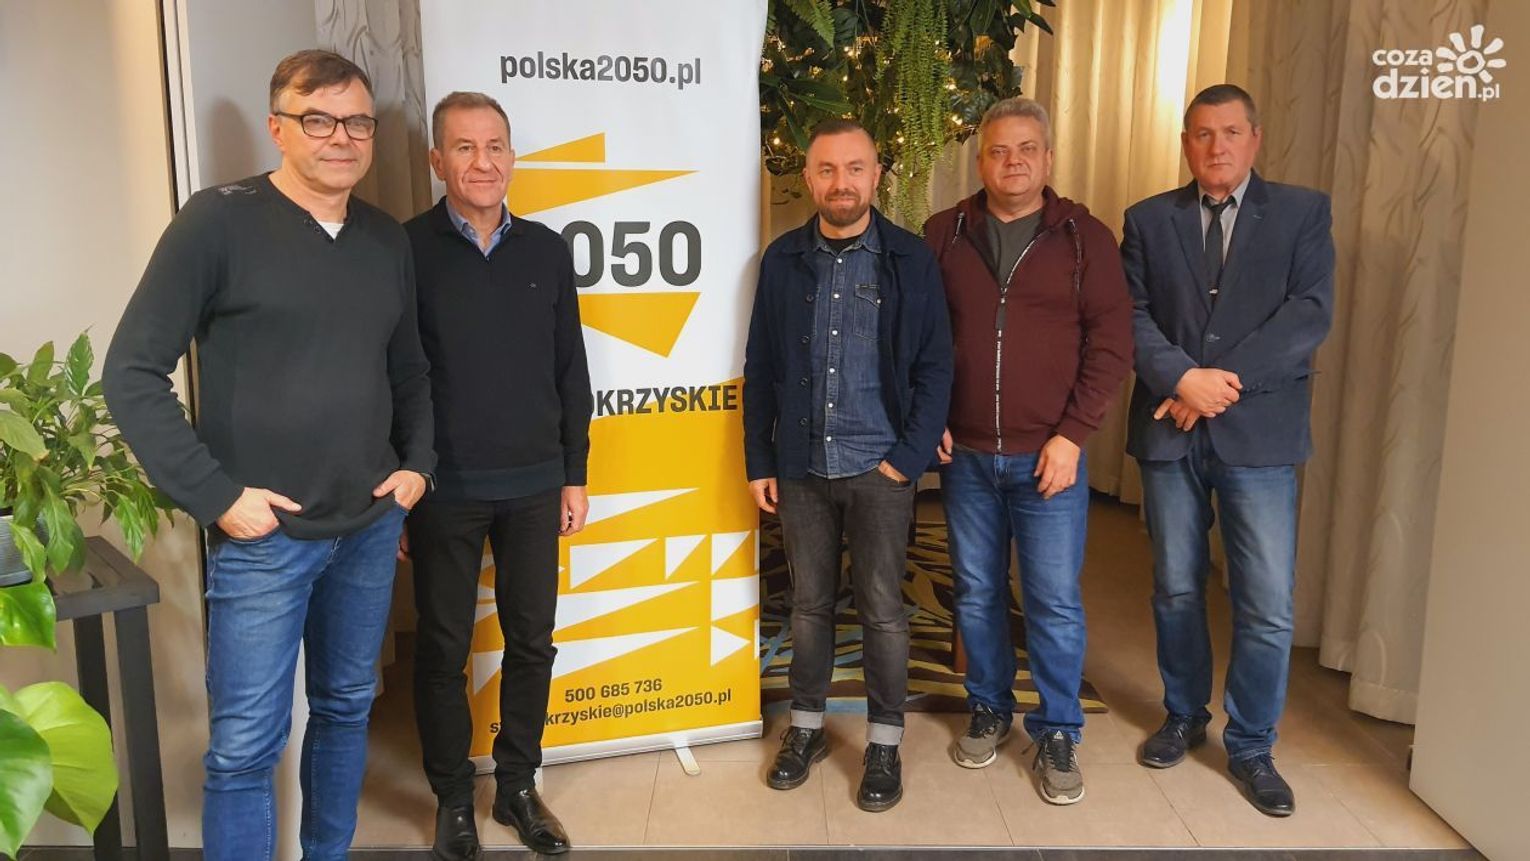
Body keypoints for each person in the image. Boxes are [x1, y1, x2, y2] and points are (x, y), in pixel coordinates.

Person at [103, 50, 433, 860]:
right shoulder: (217, 222)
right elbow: (131, 372)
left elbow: (410, 369)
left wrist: (418, 464)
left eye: (357, 122)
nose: (341, 137)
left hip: (366, 528)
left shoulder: (385, 239)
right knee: (245, 747)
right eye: (318, 119)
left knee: (346, 708)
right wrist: (216, 496)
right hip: (264, 540)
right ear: (277, 127)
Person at [1122, 83, 1334, 817]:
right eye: (1203, 134)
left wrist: (1213, 385)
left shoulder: (1303, 213)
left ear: (1255, 138)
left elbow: (1307, 316)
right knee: (1177, 587)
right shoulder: (1148, 219)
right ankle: (1184, 713)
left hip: (1260, 436)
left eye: (1231, 132)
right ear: (1187, 143)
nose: (1217, 146)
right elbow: (1130, 314)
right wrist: (1182, 378)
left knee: (1266, 602)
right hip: (1169, 434)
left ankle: (1251, 745)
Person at [923, 97, 1133, 805]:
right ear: (980, 160)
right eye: (998, 150)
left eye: (1026, 149)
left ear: (1048, 158)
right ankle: (988, 705)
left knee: (1052, 601)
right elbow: (919, 336)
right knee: (977, 591)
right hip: (966, 456)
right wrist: (930, 415)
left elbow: (1111, 345)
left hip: (1051, 458)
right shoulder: (944, 232)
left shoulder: (1085, 238)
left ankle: (1058, 728)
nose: (1012, 162)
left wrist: (1073, 435)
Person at [742, 118, 953, 813]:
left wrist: (906, 461)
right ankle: (805, 729)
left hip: (879, 469)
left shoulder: (909, 259)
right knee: (808, 606)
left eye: (855, 168)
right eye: (827, 169)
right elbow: (761, 366)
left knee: (883, 608)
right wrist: (760, 458)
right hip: (801, 468)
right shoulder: (782, 260)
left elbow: (935, 366)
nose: (842, 182)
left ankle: (884, 742)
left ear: (876, 175)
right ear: (808, 178)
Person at [402, 91, 592, 859]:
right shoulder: (405, 249)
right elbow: (392, 376)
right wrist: (403, 483)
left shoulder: (546, 249)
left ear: (512, 156)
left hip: (536, 483)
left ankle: (516, 786)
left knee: (532, 640)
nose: (483, 162)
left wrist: (574, 473)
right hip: (442, 486)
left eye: (495, 146)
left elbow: (570, 369)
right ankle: (453, 795)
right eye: (465, 147)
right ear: (437, 159)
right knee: (442, 649)